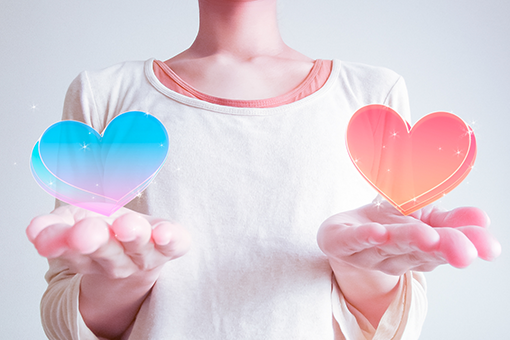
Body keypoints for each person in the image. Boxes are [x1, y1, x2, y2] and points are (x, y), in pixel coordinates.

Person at [27, 0, 501, 339]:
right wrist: (123, 278)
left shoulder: (373, 95)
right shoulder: (104, 93)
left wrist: (366, 272)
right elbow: (62, 318)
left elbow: (399, 326)